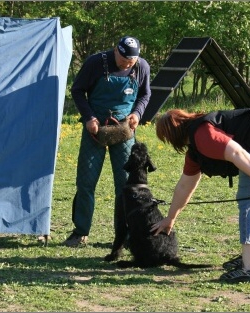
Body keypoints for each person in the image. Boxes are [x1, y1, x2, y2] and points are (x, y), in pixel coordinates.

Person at [151, 108, 250, 283]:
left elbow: (237, 153)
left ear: (172, 135)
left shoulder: (204, 135)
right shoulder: (195, 147)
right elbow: (184, 185)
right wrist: (170, 218)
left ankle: (249, 270)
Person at [64, 36, 151, 247]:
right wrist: (88, 117)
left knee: (126, 185)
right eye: (124, 60)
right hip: (96, 129)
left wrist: (137, 114)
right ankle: (80, 231)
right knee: (86, 182)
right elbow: (77, 90)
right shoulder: (95, 62)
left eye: (132, 61)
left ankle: (126, 236)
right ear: (115, 51)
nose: (128, 64)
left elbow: (145, 95)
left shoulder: (142, 67)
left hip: (124, 130)